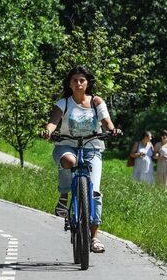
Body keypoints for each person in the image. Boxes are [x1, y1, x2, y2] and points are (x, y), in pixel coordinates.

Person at [41, 65, 120, 255]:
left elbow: (106, 122)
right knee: (68, 161)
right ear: (69, 83)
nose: (79, 83)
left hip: (92, 148)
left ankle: (94, 237)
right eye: (75, 80)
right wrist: (48, 131)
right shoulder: (64, 102)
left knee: (94, 192)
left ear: (87, 83)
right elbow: (53, 121)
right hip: (67, 145)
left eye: (82, 80)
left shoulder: (96, 101)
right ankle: (63, 195)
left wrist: (112, 130)